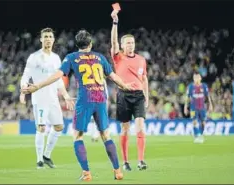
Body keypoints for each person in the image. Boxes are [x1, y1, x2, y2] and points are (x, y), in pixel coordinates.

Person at [21, 29, 137, 181]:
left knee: (77, 136)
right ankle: (117, 171)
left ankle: (86, 173)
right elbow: (113, 76)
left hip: (85, 99)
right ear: (90, 43)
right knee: (106, 135)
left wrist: (37, 86)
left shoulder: (72, 58)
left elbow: (57, 75)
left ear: (77, 44)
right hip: (101, 99)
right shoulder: (100, 57)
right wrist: (125, 86)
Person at [20, 27, 74, 169]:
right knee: (41, 127)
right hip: (39, 97)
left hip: (53, 98)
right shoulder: (34, 57)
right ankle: (39, 160)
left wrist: (66, 95)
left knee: (59, 126)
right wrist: (23, 91)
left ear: (53, 39)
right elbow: (26, 76)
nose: (48, 39)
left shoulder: (56, 58)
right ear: (41, 39)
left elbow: (58, 80)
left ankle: (47, 155)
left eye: (50, 36)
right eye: (46, 37)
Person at [110, 10, 149, 171]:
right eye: (127, 43)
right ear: (122, 45)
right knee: (125, 128)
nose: (130, 45)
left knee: (140, 126)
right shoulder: (118, 57)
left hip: (139, 95)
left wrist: (146, 96)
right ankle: (125, 162)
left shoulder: (141, 60)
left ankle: (141, 161)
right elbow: (113, 42)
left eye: (132, 43)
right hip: (123, 95)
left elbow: (145, 78)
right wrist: (115, 23)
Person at [184, 73, 213, 143]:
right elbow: (187, 97)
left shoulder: (204, 86)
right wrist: (185, 107)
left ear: (200, 78)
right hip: (193, 108)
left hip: (202, 108)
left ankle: (200, 134)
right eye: (195, 78)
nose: (196, 79)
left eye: (197, 77)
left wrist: (211, 105)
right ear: (193, 79)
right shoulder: (190, 87)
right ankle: (196, 135)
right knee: (194, 122)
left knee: (203, 123)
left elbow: (208, 96)